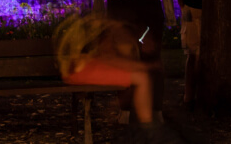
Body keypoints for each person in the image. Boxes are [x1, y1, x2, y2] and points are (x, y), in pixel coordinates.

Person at [55, 14, 181, 143]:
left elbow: (114, 61)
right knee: (141, 78)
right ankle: (149, 128)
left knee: (140, 75)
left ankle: (146, 125)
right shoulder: (115, 31)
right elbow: (111, 60)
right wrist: (145, 66)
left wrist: (143, 66)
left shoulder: (112, 29)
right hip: (81, 68)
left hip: (82, 65)